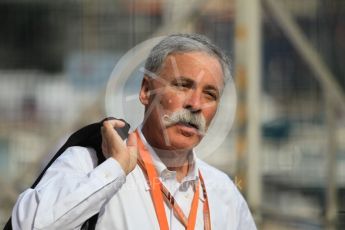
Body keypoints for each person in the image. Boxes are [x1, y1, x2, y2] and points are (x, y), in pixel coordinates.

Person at [10, 34, 257, 229]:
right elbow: (29, 225)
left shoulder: (222, 191)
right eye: (183, 85)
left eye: (210, 94)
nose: (195, 104)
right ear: (145, 91)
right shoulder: (90, 163)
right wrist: (115, 170)